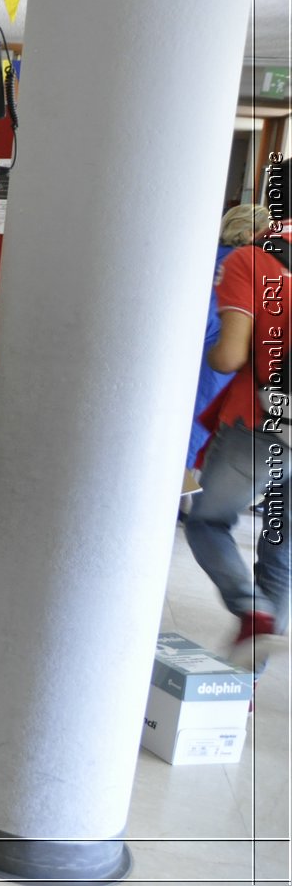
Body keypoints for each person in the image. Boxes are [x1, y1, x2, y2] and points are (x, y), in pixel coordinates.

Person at [182, 224, 290, 670]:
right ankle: (248, 682)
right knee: (282, 553)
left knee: (207, 524)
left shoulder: (252, 259)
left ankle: (251, 608)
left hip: (259, 426)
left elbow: (228, 357)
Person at [188, 204, 272, 470]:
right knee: (200, 422)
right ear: (250, 233)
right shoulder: (247, 266)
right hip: (219, 351)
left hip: (194, 347)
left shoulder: (203, 256)